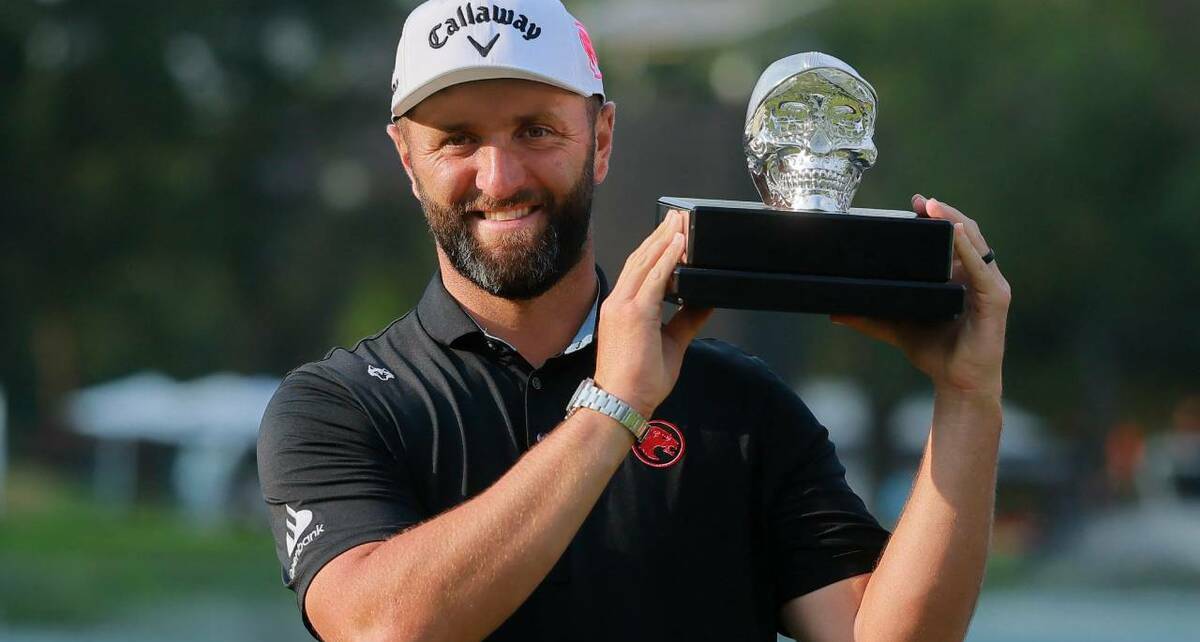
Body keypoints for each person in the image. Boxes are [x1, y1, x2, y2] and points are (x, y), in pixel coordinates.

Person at [256, 0, 1012, 640]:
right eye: (457, 139)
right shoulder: (339, 405)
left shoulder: (741, 407)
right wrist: (612, 408)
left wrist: (970, 398)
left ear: (603, 138)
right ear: (406, 157)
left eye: (536, 130)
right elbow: (382, 628)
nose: (501, 177)